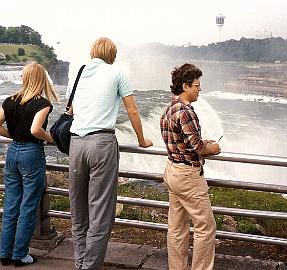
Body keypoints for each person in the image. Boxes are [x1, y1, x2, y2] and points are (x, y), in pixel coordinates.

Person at [68, 37, 153, 270]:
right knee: (100, 212)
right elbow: (132, 110)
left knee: (78, 210)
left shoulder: (79, 72)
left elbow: (71, 108)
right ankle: (89, 267)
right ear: (112, 54)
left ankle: (79, 263)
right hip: (102, 143)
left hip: (76, 144)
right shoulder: (117, 73)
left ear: (93, 52)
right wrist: (142, 140)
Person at [160, 63, 221, 270]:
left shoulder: (169, 108)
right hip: (187, 176)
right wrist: (214, 147)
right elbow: (198, 147)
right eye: (196, 85)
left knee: (177, 228)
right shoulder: (185, 111)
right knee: (206, 227)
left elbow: (181, 141)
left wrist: (201, 143)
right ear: (185, 86)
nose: (199, 89)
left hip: (172, 171)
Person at [0, 62, 57, 266]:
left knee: (11, 206)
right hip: (31, 153)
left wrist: (13, 134)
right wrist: (51, 139)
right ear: (42, 79)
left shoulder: (10, 101)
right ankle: (20, 255)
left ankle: (4, 253)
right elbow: (35, 130)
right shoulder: (42, 103)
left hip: (13, 152)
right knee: (28, 206)